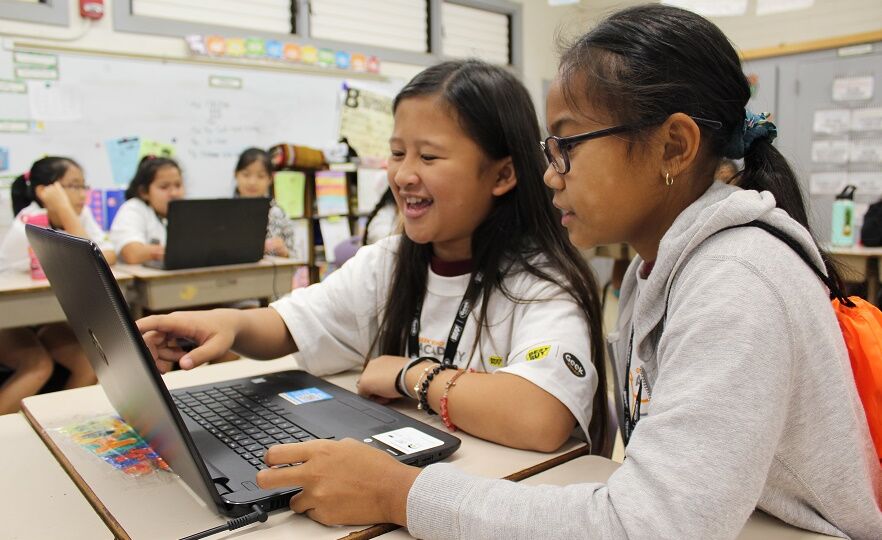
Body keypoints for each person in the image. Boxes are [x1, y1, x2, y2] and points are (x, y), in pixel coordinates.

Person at [244, 6, 882, 539]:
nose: (552, 173)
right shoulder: (661, 268)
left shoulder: (736, 280)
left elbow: (647, 525)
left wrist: (401, 494)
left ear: (675, 146)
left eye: (568, 145)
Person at [137, 59, 608, 455]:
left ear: (503, 173)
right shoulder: (387, 261)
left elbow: (538, 416)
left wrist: (411, 374)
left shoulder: (540, 283)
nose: (403, 175)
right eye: (397, 152)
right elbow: (290, 325)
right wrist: (231, 326)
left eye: (429, 157)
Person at [0, 157, 110, 413]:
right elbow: (90, 258)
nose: (82, 194)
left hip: (43, 317)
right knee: (38, 365)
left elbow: (106, 254)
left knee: (90, 361)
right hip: (9, 319)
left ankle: (65, 427)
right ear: (44, 191)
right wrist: (62, 206)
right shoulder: (29, 220)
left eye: (84, 186)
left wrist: (67, 211)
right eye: (73, 186)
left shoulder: (77, 216)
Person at [110, 156, 184, 264]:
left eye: (178, 185)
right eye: (164, 187)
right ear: (144, 192)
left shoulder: (184, 212)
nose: (174, 193)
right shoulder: (133, 209)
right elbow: (133, 254)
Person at [234, 147, 296, 257]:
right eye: (246, 174)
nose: (252, 182)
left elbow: (295, 259)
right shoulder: (226, 213)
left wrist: (284, 252)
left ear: (270, 179)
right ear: (236, 175)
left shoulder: (278, 214)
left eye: (260, 176)